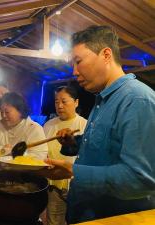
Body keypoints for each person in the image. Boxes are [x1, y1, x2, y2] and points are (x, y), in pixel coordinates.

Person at [39, 25, 155, 224]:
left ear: (106, 55)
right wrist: (72, 143)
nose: (74, 72)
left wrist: (72, 170)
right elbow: (103, 148)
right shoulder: (103, 99)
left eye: (78, 62)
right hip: (85, 213)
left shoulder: (137, 100)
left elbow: (139, 179)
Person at [43, 86, 87, 225]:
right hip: (53, 185)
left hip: (76, 185)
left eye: (64, 101)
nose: (59, 106)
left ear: (76, 102)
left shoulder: (84, 124)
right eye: (56, 102)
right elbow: (42, 151)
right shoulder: (49, 125)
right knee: (54, 221)